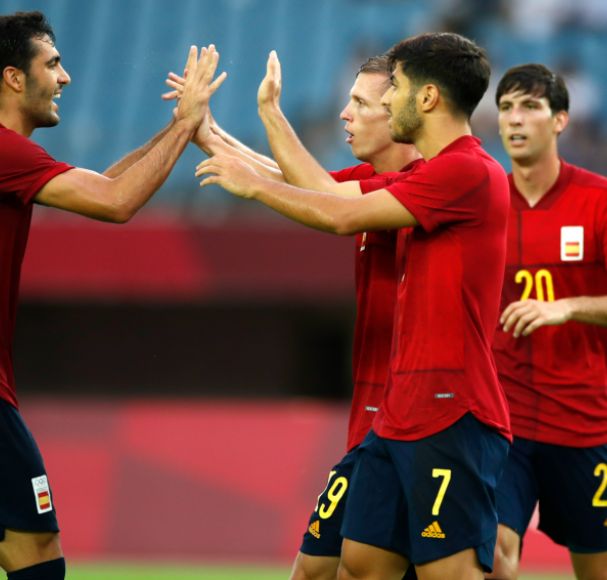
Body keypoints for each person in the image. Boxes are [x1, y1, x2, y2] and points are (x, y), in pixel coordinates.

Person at [0, 11, 224, 580]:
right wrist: (187, 123)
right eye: (53, 63)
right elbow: (117, 202)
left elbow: (101, 186)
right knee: (39, 562)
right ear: (15, 78)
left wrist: (177, 130)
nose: (65, 77)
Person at [198, 32, 511, 580]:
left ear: (429, 97)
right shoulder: (426, 176)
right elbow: (324, 194)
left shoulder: (468, 171)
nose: (388, 102)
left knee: (452, 574)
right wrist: (204, 132)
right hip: (397, 414)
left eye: (396, 90)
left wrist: (253, 186)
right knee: (357, 568)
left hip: (450, 410)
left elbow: (337, 214)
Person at [166, 54, 423, 580]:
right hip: (372, 421)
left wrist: (269, 111)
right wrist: (201, 129)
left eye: (358, 103)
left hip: (417, 423)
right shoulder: (368, 181)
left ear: (398, 113)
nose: (344, 115)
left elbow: (322, 201)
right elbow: (292, 178)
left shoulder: (424, 184)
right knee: (315, 572)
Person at [488, 63, 607, 580]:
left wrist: (567, 306)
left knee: (601, 574)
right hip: (504, 424)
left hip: (583, 421)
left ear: (560, 120)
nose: (515, 120)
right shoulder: (483, 202)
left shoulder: (602, 199)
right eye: (505, 108)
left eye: (530, 107)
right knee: (493, 559)